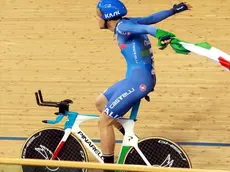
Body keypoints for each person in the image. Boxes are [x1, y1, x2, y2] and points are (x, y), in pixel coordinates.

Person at [95, 0, 192, 164]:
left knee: (104, 121)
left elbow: (148, 28)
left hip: (138, 81)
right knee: (100, 103)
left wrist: (160, 33)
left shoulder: (122, 27)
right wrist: (173, 10)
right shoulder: (127, 22)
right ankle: (129, 136)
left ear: (108, 18)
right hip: (136, 79)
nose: (96, 19)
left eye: (98, 16)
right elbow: (152, 18)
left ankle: (108, 167)